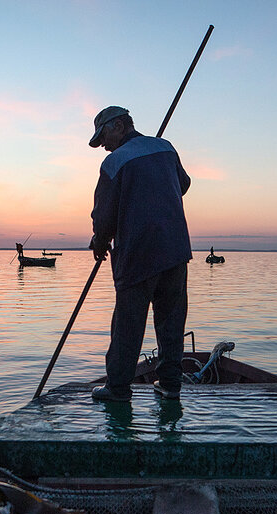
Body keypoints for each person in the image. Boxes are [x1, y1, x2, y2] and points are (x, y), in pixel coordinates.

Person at [87, 106, 192, 402]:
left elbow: (104, 215)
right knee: (171, 320)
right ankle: (170, 384)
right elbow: (182, 185)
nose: (103, 145)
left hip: (138, 253)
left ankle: (118, 388)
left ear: (119, 125)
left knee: (128, 323)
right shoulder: (166, 148)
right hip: (175, 249)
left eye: (103, 136)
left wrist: (99, 241)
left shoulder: (113, 162)